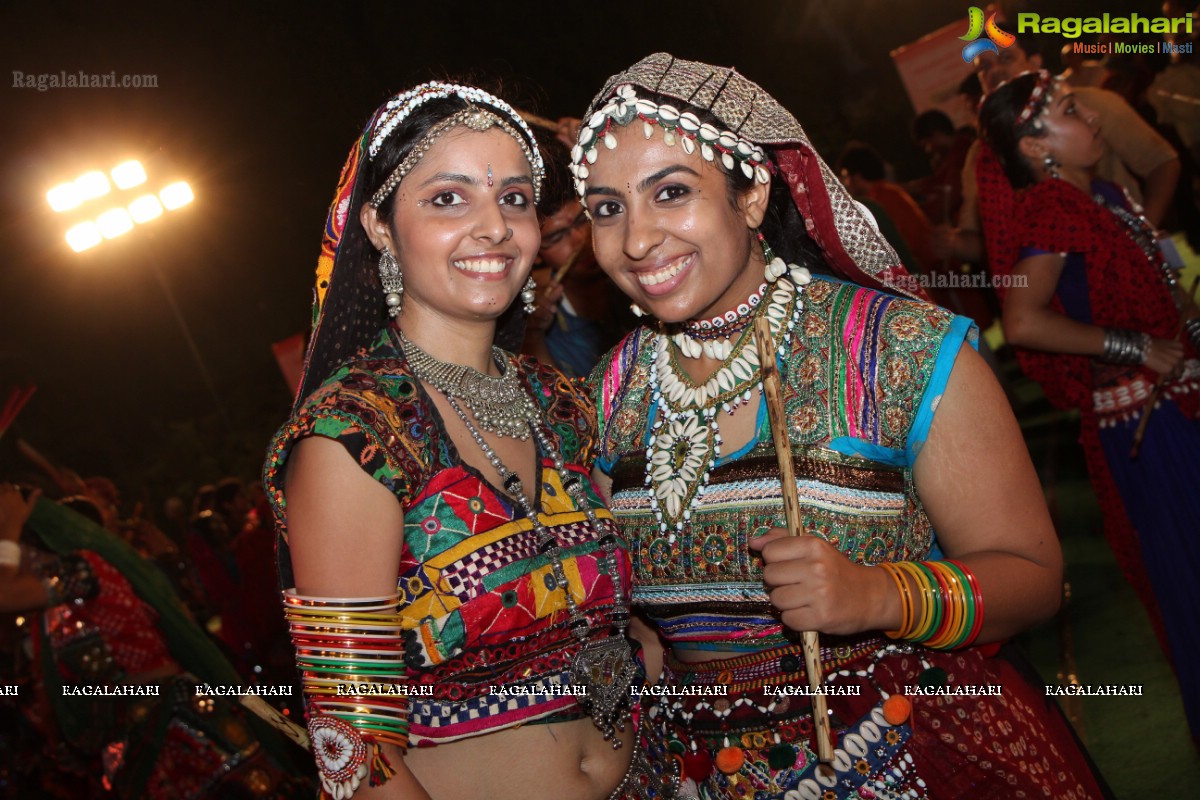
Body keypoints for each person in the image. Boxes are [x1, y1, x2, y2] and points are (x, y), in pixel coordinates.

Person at [578, 53, 1110, 799]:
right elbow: (634, 628)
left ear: (754, 191)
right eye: (607, 208)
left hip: (913, 753)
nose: (637, 240)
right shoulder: (608, 393)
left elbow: (1034, 578)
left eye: (671, 192)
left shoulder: (901, 347)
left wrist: (879, 596)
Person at [262, 81, 675, 800]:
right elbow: (355, 749)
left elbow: (635, 624)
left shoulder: (564, 406)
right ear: (380, 227)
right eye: (448, 199)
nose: (494, 228)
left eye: (513, 199)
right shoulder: (353, 439)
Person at [977, 69, 1200, 741]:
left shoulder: (1100, 193)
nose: (1094, 119)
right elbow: (1023, 321)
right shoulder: (1051, 210)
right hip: (1147, 428)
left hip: (1174, 408)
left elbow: (1163, 288)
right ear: (1035, 146)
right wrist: (1135, 347)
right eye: (1072, 111)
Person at [0, 485, 308, 798]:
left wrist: (9, 523)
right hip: (140, 740)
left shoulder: (83, 569)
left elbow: (3, 593)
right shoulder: (55, 606)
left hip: (171, 726)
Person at [938, 31, 1180, 264]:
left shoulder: (1094, 104)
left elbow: (1162, 162)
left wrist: (1141, 233)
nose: (995, 72)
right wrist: (953, 243)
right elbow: (992, 242)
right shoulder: (983, 154)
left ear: (1035, 61)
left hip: (1139, 264)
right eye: (984, 67)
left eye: (1006, 59)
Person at [522, 135, 633, 378]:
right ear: (536, 253)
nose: (580, 239)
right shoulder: (539, 322)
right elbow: (562, 409)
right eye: (558, 236)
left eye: (583, 220)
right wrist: (533, 337)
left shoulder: (641, 275)